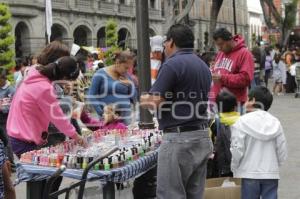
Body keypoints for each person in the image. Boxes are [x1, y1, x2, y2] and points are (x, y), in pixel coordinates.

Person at [141, 24, 212, 199]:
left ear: (171, 42)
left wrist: (143, 99)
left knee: (170, 195)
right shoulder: (202, 65)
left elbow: (155, 101)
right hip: (201, 135)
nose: (164, 46)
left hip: (179, 140)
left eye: (165, 42)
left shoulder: (172, 64)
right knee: (194, 195)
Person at [7, 56, 86, 158]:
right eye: (69, 81)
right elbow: (59, 118)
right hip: (23, 139)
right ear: (64, 78)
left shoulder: (35, 73)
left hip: (18, 132)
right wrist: (77, 137)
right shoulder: (44, 88)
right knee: (34, 172)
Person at [230, 86, 287, 199]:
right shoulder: (275, 122)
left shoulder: (242, 121)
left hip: (249, 172)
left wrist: (234, 167)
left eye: (247, 99)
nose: (245, 102)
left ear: (253, 101)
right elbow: (282, 149)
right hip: (271, 172)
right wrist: (275, 164)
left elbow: (237, 148)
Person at [88, 51, 137, 125]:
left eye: (129, 68)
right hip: (108, 116)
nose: (127, 71)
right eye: (126, 68)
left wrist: (131, 85)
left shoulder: (127, 76)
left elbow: (134, 99)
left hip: (125, 115)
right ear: (117, 63)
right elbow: (92, 95)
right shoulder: (100, 74)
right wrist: (101, 112)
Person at [210, 28, 254, 107]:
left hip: (234, 105)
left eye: (221, 44)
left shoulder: (244, 53)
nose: (219, 48)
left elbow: (246, 79)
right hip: (218, 103)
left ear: (230, 40)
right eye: (217, 45)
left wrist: (222, 78)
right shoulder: (221, 53)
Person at [213, 89, 240, 177]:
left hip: (223, 166)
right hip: (241, 163)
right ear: (235, 106)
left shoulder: (215, 122)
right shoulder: (242, 121)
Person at [0, 68, 15, 168]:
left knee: (7, 141)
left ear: (3, 78)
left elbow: (13, 106)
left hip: (6, 120)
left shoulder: (11, 90)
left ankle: (10, 163)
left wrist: (2, 108)